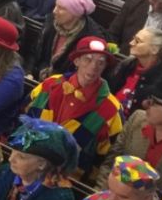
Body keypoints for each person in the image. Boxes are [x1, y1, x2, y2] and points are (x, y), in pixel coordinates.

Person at [26, 35, 123, 179]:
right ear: (77, 61)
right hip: (28, 166)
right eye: (88, 59)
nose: (93, 67)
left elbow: (106, 159)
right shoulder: (50, 85)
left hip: (68, 179)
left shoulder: (111, 109)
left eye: (100, 63)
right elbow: (24, 116)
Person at [26, 0, 106, 81]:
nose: (54, 11)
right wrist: (28, 72)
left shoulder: (90, 38)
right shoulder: (51, 21)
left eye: (61, 8)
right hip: (36, 75)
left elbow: (79, 72)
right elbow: (34, 51)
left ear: (76, 13)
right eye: (56, 6)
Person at [102, 28, 162, 118]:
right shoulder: (127, 65)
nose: (131, 43)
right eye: (133, 39)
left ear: (154, 50)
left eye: (137, 41)